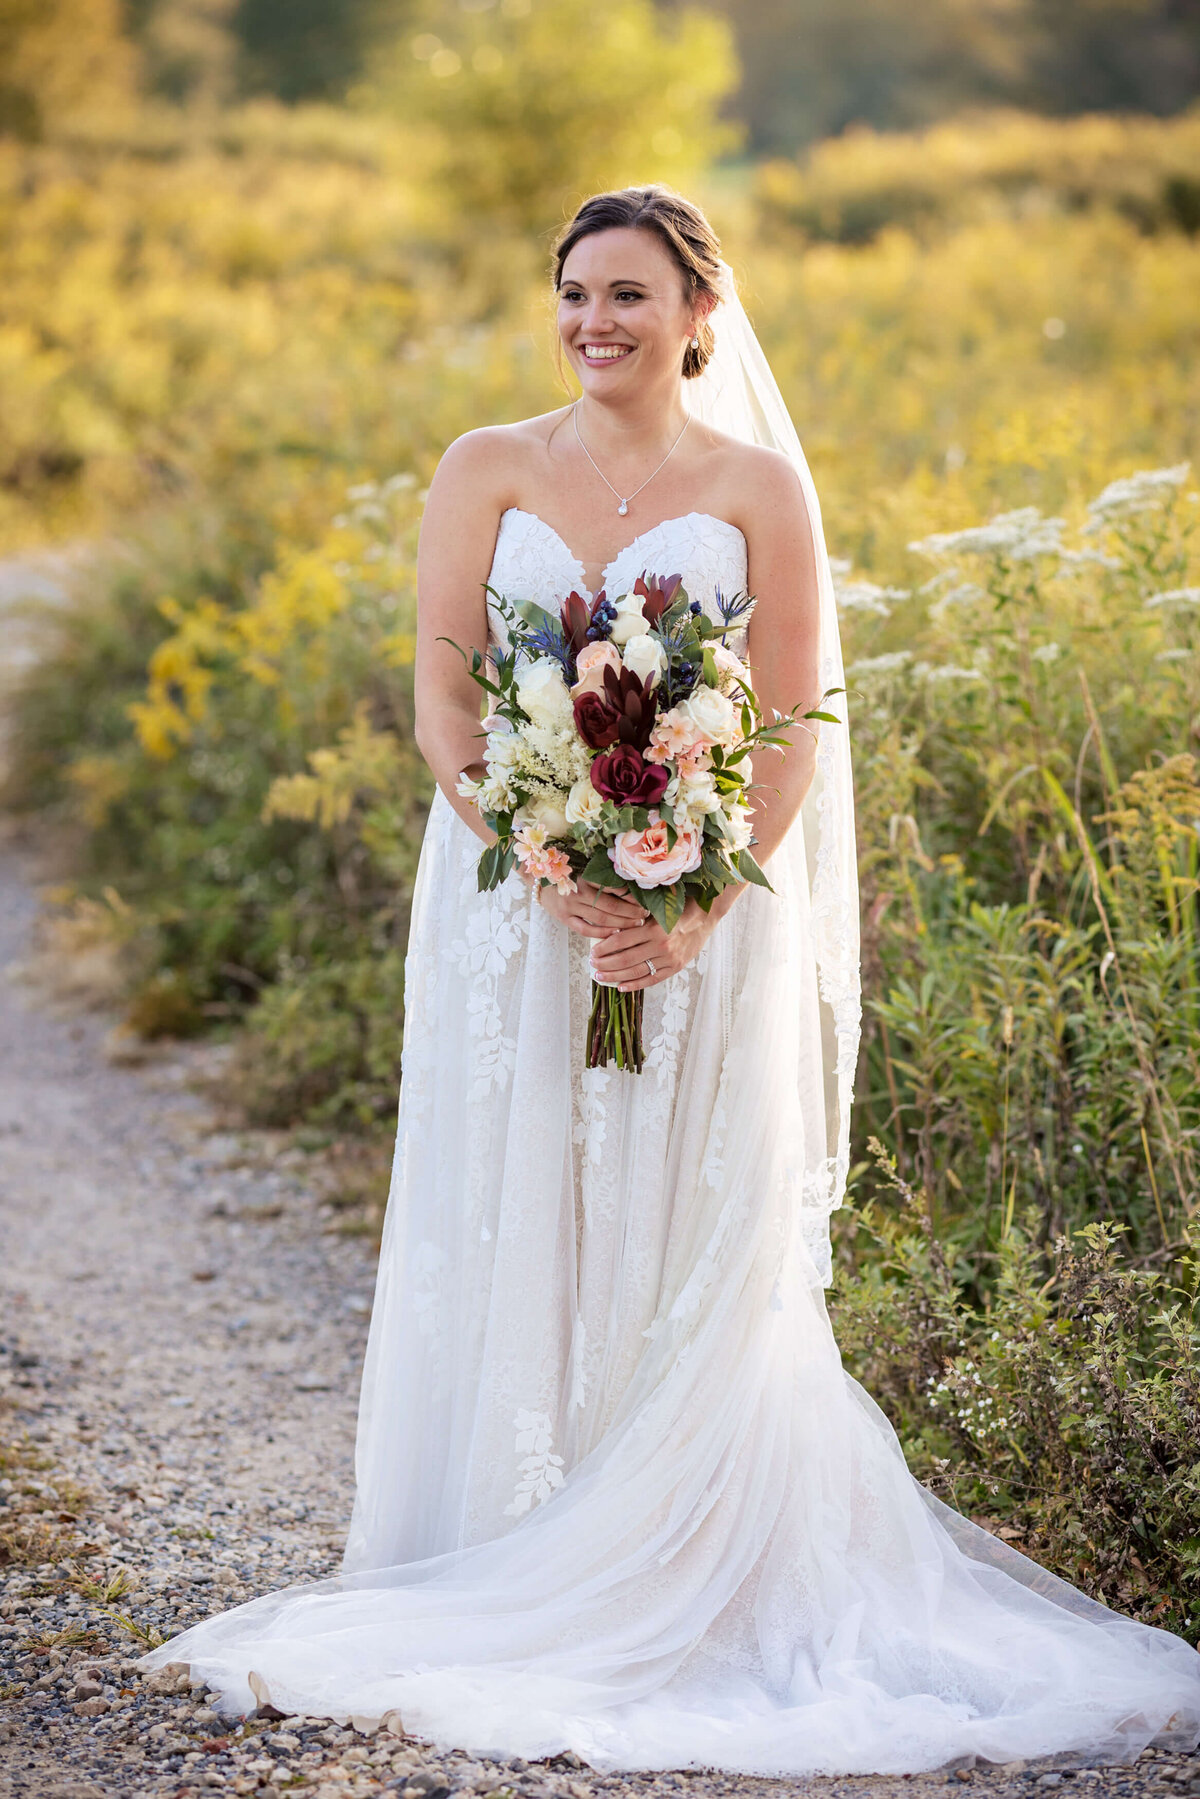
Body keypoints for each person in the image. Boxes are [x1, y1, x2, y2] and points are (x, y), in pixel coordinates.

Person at [142, 186, 1200, 1776]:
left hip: (701, 907)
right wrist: (526, 836)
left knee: (687, 1200)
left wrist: (693, 908)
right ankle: (509, 1523)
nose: (594, 323)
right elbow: (442, 671)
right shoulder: (483, 467)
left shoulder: (760, 486)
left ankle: (685, 1555)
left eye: (630, 294)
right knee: (524, 1187)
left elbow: (792, 718)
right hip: (514, 897)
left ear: (700, 310)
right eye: (575, 293)